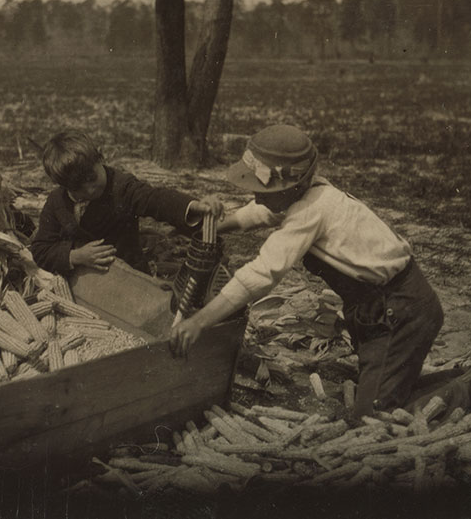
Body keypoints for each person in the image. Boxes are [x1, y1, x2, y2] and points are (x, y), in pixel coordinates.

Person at [169, 124, 444, 418]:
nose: (257, 196)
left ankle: (470, 386)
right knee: (385, 383)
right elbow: (260, 211)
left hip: (401, 310)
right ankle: (403, 383)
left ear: (292, 186)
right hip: (377, 309)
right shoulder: (306, 194)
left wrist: (200, 321)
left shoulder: (310, 212)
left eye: (263, 190)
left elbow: (262, 273)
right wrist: (213, 228)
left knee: (373, 413)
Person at [30, 131, 223, 276]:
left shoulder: (122, 187)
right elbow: (41, 249)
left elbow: (155, 199)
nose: (89, 190)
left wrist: (193, 206)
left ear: (100, 157)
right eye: (77, 189)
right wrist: (75, 256)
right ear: (63, 186)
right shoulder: (57, 202)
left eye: (91, 178)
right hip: (78, 281)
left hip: (128, 277)